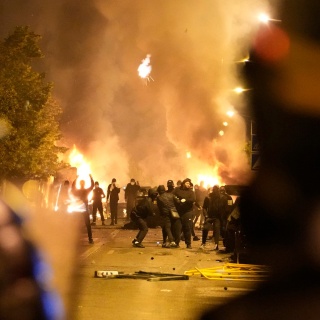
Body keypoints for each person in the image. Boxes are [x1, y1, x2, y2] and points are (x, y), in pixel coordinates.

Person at [71, 174, 95, 244]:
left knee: (76, 224)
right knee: (88, 224)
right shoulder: (86, 191)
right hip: (84, 209)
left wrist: (76, 179)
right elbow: (92, 186)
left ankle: (75, 239)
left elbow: (73, 187)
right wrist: (91, 178)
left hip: (78, 209)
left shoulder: (78, 191)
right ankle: (90, 239)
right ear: (84, 184)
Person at [173, 178, 196, 249]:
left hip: (187, 212)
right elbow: (172, 196)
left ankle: (188, 244)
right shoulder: (177, 190)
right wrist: (177, 200)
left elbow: (193, 199)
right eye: (187, 183)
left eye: (189, 184)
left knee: (187, 228)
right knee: (177, 228)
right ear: (183, 183)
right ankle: (176, 243)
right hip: (178, 212)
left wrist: (185, 200)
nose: (188, 185)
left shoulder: (191, 192)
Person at [200, 185, 223, 250]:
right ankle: (203, 243)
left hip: (216, 217)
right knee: (205, 229)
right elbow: (204, 208)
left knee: (216, 230)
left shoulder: (220, 198)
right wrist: (206, 215)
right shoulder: (208, 197)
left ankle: (216, 244)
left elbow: (221, 208)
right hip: (209, 216)